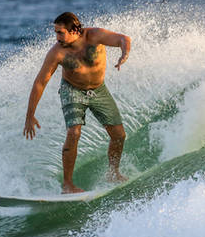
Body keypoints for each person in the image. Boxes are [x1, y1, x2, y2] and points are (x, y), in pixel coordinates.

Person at [24, 12, 131, 194]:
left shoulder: (94, 36)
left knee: (119, 135)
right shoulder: (57, 52)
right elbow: (40, 82)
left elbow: (123, 38)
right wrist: (30, 115)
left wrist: (124, 53)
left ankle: (113, 173)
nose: (57, 37)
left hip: (98, 90)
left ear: (74, 30)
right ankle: (68, 185)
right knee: (73, 132)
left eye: (60, 32)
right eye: (56, 32)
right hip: (72, 90)